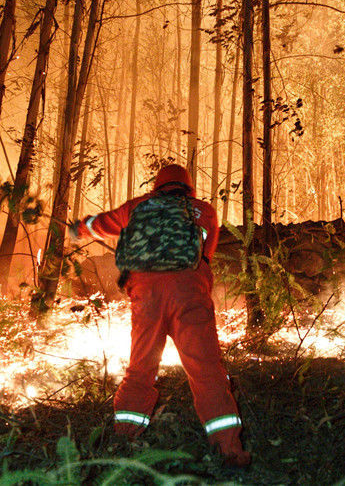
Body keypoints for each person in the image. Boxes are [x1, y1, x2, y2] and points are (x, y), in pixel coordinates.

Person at [70, 164, 251, 467]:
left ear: (158, 186)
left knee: (141, 368)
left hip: (146, 296)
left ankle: (125, 439)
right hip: (189, 293)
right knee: (206, 370)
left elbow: (103, 223)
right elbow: (205, 255)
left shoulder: (138, 206)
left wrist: (79, 228)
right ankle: (229, 449)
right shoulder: (203, 210)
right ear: (188, 187)